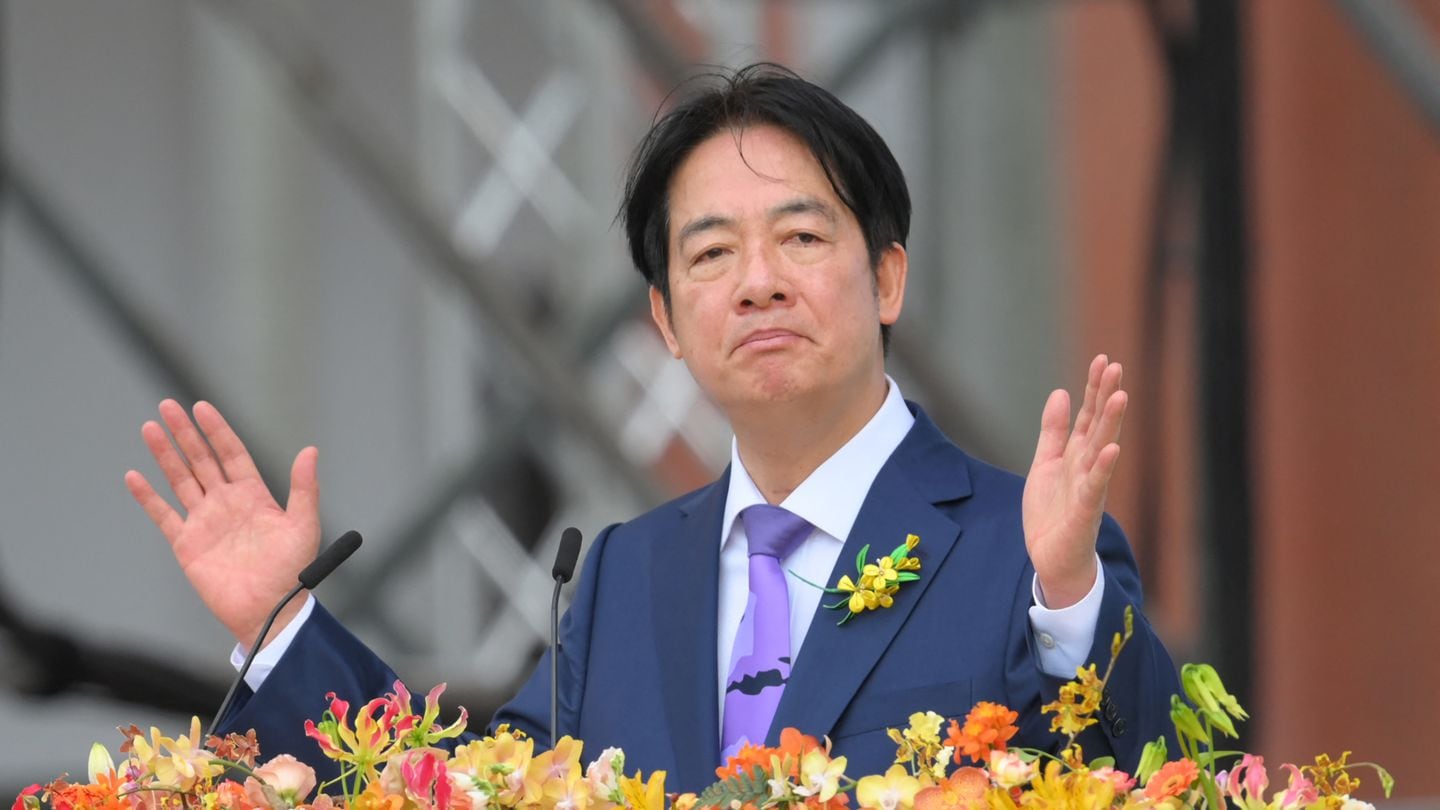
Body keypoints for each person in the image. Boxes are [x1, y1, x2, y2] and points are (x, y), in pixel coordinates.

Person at [125, 64, 1180, 793]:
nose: (758, 283)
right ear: (668, 322)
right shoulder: (627, 577)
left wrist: (1068, 599)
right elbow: (473, 793)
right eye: (712, 255)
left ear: (887, 276)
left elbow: (1164, 773)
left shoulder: (1024, 550)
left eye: (801, 236)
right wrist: (282, 624)